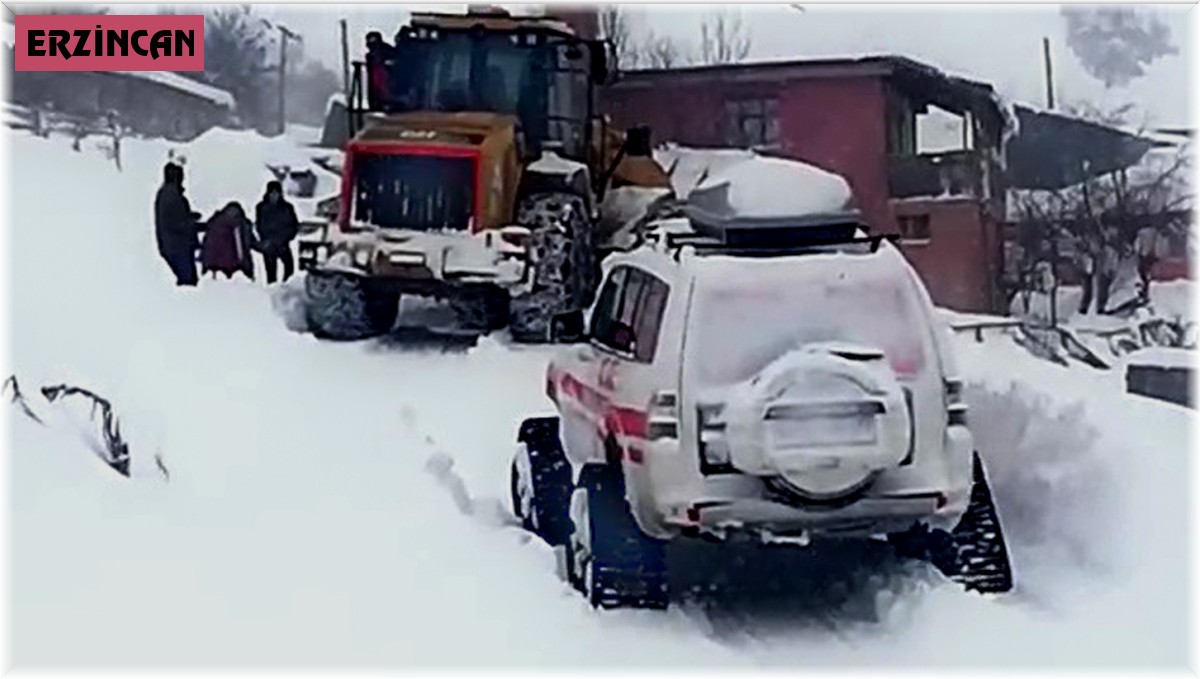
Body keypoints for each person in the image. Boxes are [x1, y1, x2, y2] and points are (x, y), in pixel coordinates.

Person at [154, 162, 201, 286]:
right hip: (178, 245)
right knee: (188, 283)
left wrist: (190, 218)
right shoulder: (172, 196)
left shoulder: (166, 194)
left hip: (170, 243)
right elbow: (177, 223)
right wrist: (195, 225)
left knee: (186, 280)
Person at [254, 180, 300, 284]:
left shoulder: (287, 208)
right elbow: (260, 225)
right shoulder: (261, 207)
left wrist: (286, 238)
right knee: (271, 273)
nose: (274, 195)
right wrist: (266, 240)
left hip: (283, 243)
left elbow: (293, 225)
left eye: (276, 193)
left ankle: (286, 289)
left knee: (289, 269)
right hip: (269, 244)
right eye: (272, 193)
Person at [201, 202, 256, 280]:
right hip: (221, 265)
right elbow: (210, 246)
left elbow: (249, 242)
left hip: (237, 265)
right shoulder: (217, 225)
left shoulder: (242, 225)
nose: (233, 214)